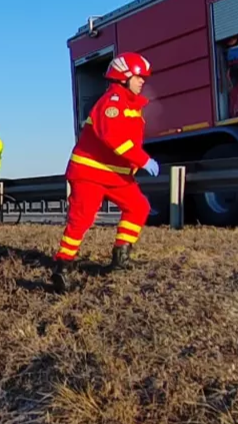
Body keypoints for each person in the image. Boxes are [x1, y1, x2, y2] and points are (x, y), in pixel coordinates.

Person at [51, 52, 158, 292]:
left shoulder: (131, 105)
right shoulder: (112, 103)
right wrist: (143, 160)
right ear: (123, 77)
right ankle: (62, 267)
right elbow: (114, 138)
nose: (143, 82)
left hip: (116, 175)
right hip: (90, 173)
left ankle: (120, 258)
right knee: (82, 219)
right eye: (139, 77)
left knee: (138, 207)